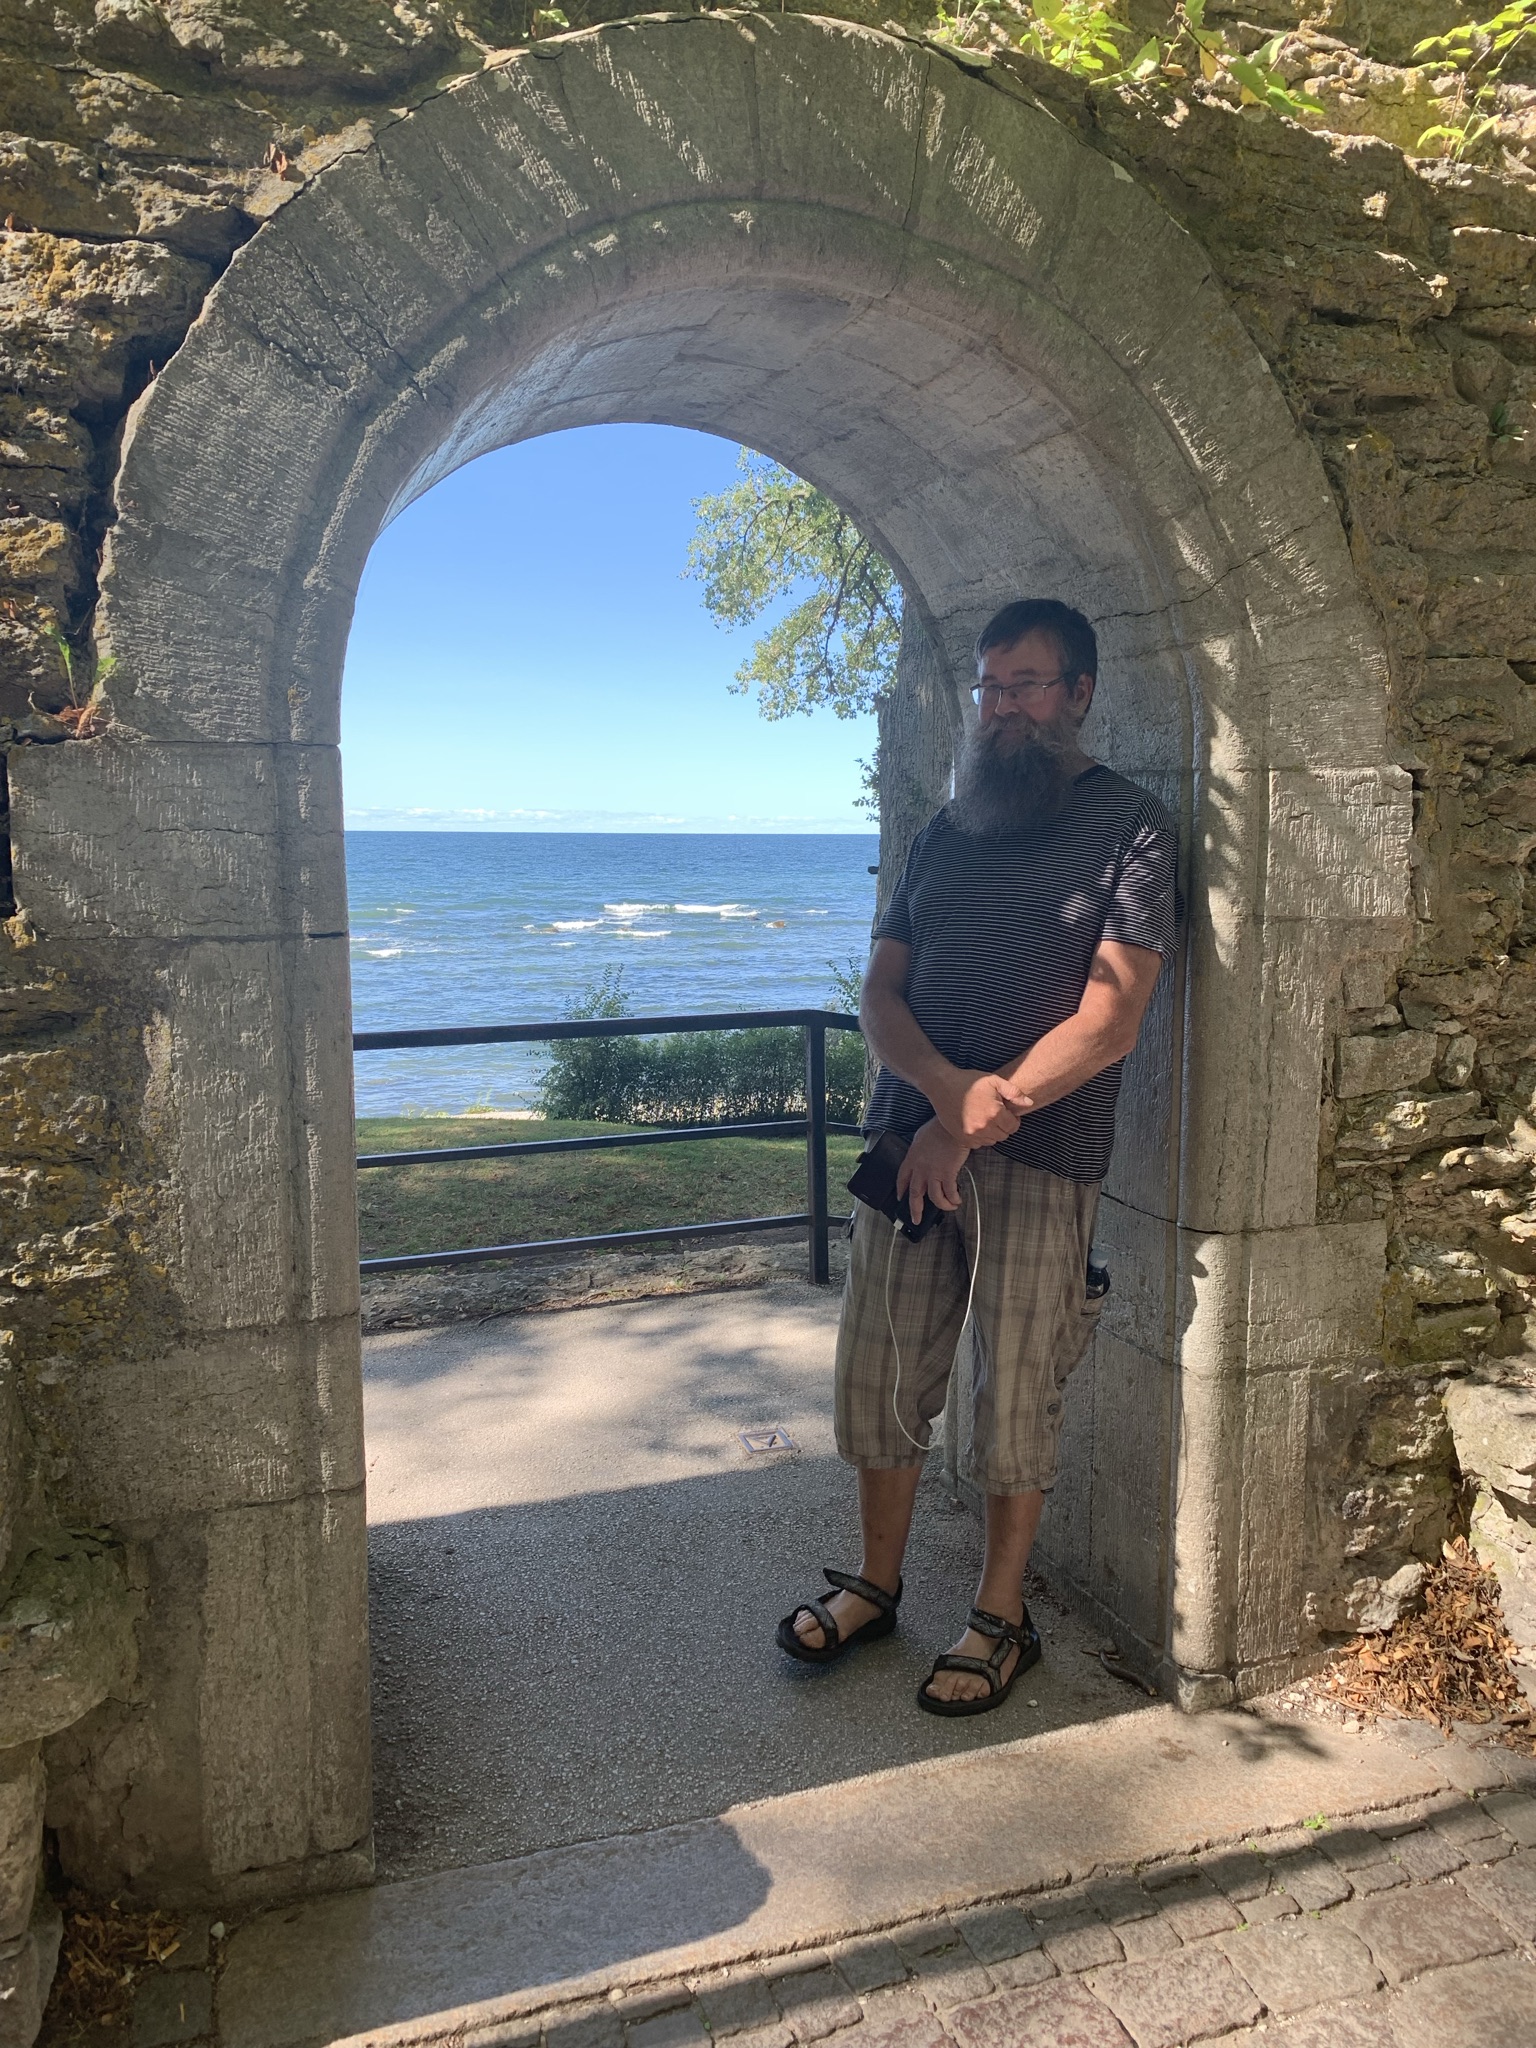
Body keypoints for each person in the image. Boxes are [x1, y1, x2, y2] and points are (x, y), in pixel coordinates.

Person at [777, 597, 1178, 1716]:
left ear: (1079, 693)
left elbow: (1112, 1019)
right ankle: (876, 1583)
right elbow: (880, 992)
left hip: (1043, 1154)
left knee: (1016, 1394)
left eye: (1026, 684)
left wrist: (967, 1119)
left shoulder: (1133, 827)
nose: (1001, 707)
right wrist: (943, 1096)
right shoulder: (941, 834)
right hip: (905, 1149)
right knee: (881, 1372)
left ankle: (1002, 1617)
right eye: (989, 687)